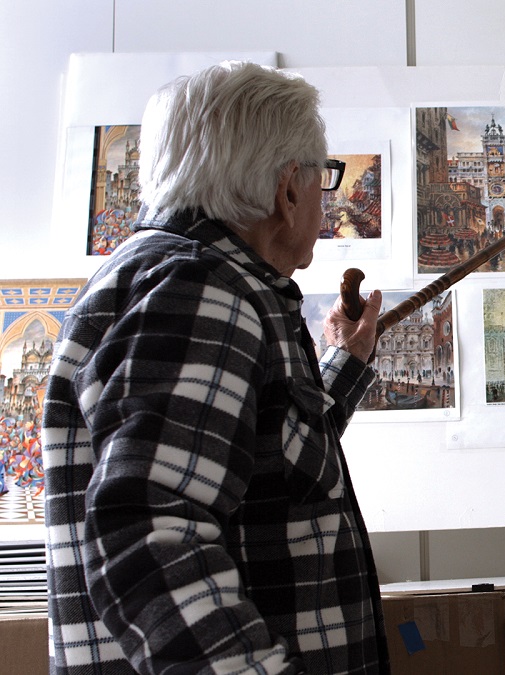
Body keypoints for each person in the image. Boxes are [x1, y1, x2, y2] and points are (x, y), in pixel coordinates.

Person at [42, 61, 389, 674]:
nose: (322, 195)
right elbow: (149, 539)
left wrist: (345, 361)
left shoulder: (173, 277)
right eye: (324, 177)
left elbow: (264, 463)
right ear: (288, 189)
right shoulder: (201, 291)